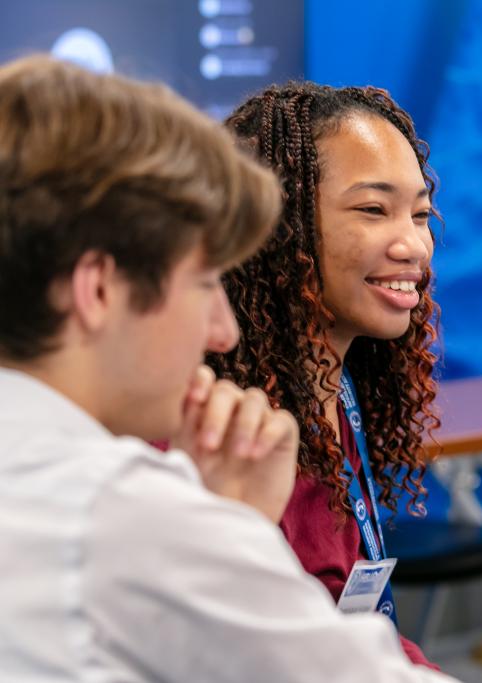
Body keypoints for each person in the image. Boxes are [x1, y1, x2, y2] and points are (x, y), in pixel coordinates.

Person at [0, 55, 454, 682]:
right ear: (98, 289)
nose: (222, 327)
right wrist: (227, 534)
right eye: (204, 281)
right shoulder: (120, 508)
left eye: (421, 213)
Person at [208, 83, 439, 667]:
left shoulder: (336, 395)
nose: (413, 244)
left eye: (420, 214)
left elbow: (352, 631)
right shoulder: (219, 433)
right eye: (373, 209)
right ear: (278, 226)